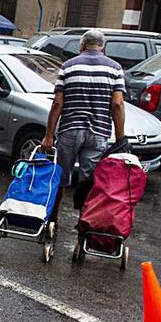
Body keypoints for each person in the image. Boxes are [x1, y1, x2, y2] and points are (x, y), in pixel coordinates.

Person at [42, 28, 127, 214]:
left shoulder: (68, 66)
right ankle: (84, 225)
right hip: (99, 132)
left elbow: (58, 103)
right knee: (89, 181)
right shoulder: (115, 68)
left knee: (60, 177)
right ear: (103, 48)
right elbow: (118, 104)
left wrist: (49, 135)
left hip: (69, 130)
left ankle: (52, 218)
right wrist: (121, 139)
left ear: (81, 46)